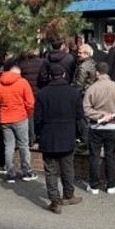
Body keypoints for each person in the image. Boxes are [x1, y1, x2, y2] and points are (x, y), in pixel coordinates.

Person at [34, 64, 84, 214]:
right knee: (67, 167)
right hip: (67, 134)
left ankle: (55, 201)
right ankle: (68, 194)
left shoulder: (42, 94)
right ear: (63, 75)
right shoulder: (73, 93)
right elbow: (79, 115)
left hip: (48, 135)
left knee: (50, 169)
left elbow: (37, 118)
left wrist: (38, 133)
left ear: (50, 76)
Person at [83, 62, 115, 194]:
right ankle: (111, 185)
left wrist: (100, 115)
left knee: (94, 156)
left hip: (95, 126)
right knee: (110, 156)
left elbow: (86, 109)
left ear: (97, 72)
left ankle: (94, 186)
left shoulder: (92, 88)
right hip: (111, 126)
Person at [0, 62, 37, 183]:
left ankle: (10, 174)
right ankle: (26, 171)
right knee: (23, 145)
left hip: (4, 118)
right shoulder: (22, 82)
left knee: (9, 146)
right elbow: (30, 102)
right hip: (20, 117)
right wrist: (27, 113)